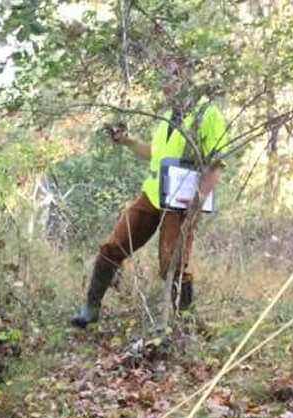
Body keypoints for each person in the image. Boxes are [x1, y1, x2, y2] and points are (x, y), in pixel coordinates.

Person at [70, 91, 228, 328]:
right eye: (165, 77)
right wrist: (128, 141)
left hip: (181, 201)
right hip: (153, 194)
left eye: (173, 76)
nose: (166, 84)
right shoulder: (169, 113)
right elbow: (156, 153)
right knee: (113, 246)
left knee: (173, 266)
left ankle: (186, 326)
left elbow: (217, 163)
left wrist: (200, 197)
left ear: (188, 76)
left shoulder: (208, 113)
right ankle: (90, 308)